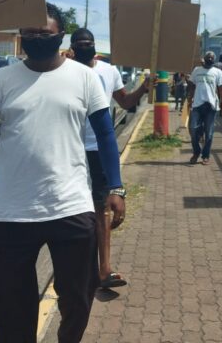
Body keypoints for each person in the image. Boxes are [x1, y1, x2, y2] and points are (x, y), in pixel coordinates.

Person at [0, 3, 125, 343]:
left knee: (78, 297)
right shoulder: (3, 79)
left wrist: (116, 187)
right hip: (10, 213)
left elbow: (105, 135)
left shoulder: (84, 77)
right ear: (21, 39)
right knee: (12, 309)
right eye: (29, 33)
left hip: (70, 208)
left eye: (44, 33)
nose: (36, 38)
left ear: (60, 36)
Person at [70, 27, 152, 290]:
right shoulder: (62, 69)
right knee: (74, 211)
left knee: (102, 207)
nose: (85, 46)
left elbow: (125, 102)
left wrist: (144, 89)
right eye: (80, 43)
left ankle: (104, 270)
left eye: (89, 42)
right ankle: (78, 269)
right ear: (71, 46)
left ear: (95, 45)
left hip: (99, 150)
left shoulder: (109, 71)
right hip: (69, 149)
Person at [187, 51, 222, 165]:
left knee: (209, 133)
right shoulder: (196, 70)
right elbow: (192, 85)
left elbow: (221, 90)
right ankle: (196, 152)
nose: (210, 59)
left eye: (212, 58)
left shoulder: (218, 72)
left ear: (213, 60)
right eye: (208, 57)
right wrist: (189, 98)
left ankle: (205, 155)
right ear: (204, 58)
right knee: (193, 129)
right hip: (197, 105)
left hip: (211, 106)